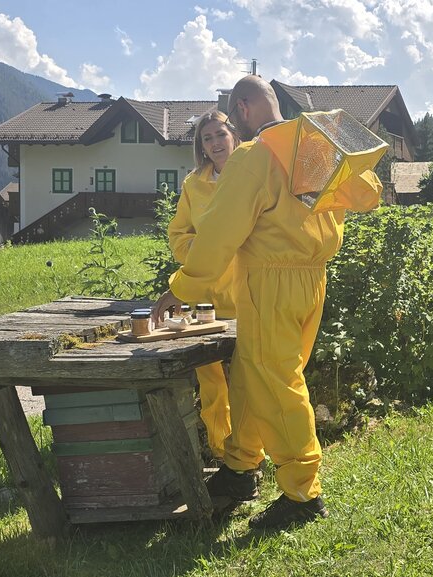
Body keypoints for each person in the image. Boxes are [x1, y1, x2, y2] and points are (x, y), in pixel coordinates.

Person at [153, 75, 382, 530]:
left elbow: (220, 233)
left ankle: (302, 494)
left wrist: (182, 287)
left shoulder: (254, 157)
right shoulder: (318, 147)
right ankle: (239, 468)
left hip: (270, 284)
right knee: (257, 379)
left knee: (276, 384)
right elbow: (369, 194)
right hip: (312, 280)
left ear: (240, 109)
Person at [166, 110, 243, 462]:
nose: (214, 144)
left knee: (251, 382)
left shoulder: (251, 174)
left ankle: (251, 455)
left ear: (234, 136)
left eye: (219, 135)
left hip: (249, 293)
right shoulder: (193, 184)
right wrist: (197, 249)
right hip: (205, 299)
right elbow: (179, 234)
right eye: (206, 139)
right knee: (213, 386)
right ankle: (220, 451)